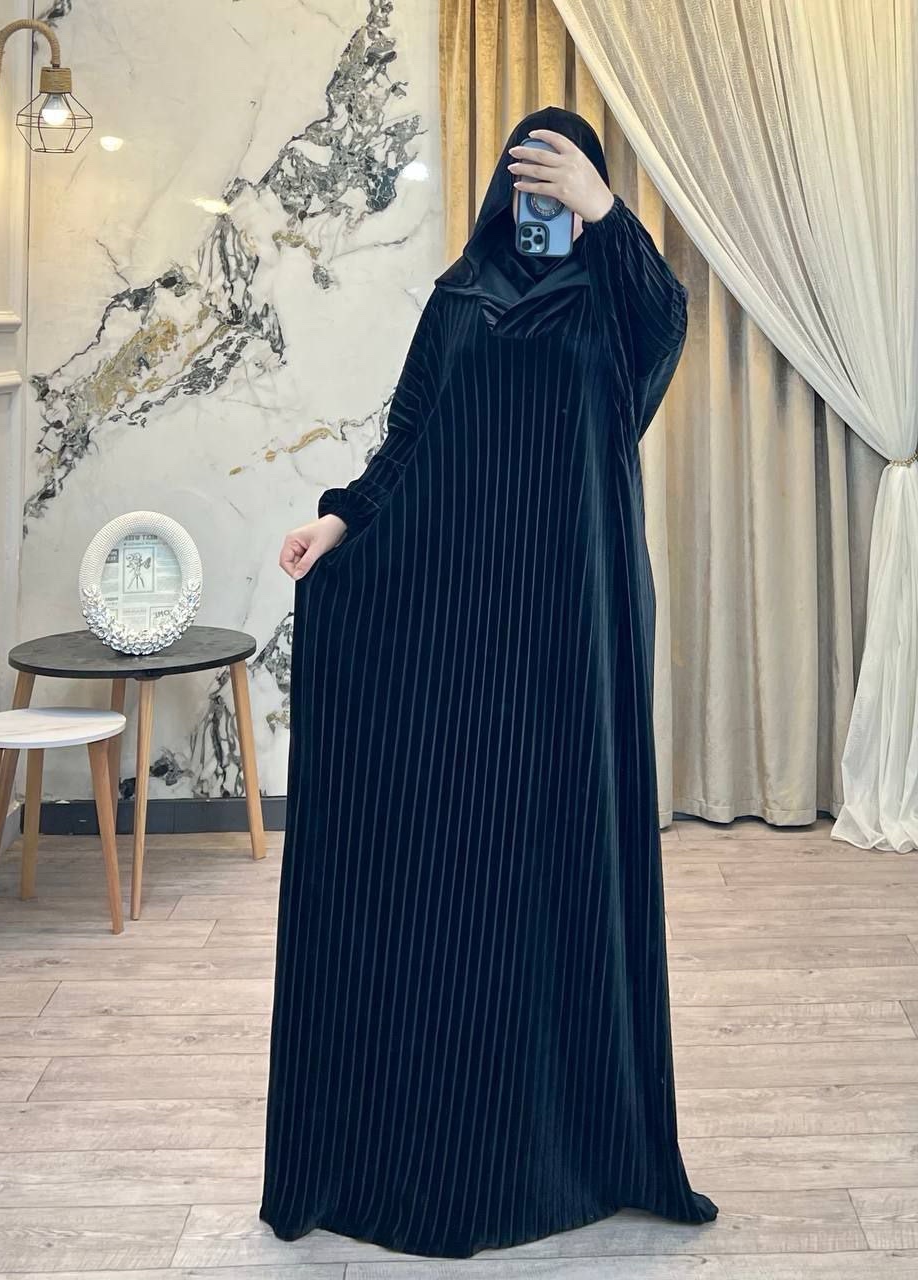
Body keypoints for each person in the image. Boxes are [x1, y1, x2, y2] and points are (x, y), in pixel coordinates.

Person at [260, 104, 718, 1259]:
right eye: (527, 181)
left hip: (570, 630)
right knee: (460, 869)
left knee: (557, 859)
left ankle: (570, 1136)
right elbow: (409, 434)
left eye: (561, 183)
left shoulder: (614, 305)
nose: (540, 202)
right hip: (457, 630)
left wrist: (607, 214)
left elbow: (668, 324)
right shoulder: (459, 298)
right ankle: (446, 1124)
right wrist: (339, 518)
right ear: (498, 192)